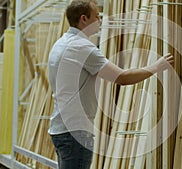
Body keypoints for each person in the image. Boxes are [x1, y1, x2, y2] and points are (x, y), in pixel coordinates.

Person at [47, 0, 174, 168]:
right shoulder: (81, 47)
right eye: (97, 17)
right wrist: (156, 67)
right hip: (75, 132)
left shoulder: (62, 43)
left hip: (62, 128)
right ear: (84, 19)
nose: (100, 21)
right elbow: (121, 77)